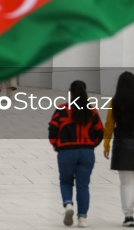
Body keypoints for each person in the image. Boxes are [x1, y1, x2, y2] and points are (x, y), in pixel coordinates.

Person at [49, 80, 104, 228]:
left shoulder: (62, 109)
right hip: (86, 151)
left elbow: (53, 129)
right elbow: (100, 131)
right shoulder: (91, 110)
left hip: (66, 151)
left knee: (66, 181)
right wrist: (92, 145)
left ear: (70, 92)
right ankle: (82, 218)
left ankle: (68, 205)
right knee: (83, 186)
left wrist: (55, 144)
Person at [104, 71, 134, 227]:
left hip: (122, 146)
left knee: (125, 183)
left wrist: (106, 145)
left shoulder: (114, 102)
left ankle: (128, 216)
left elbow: (109, 126)